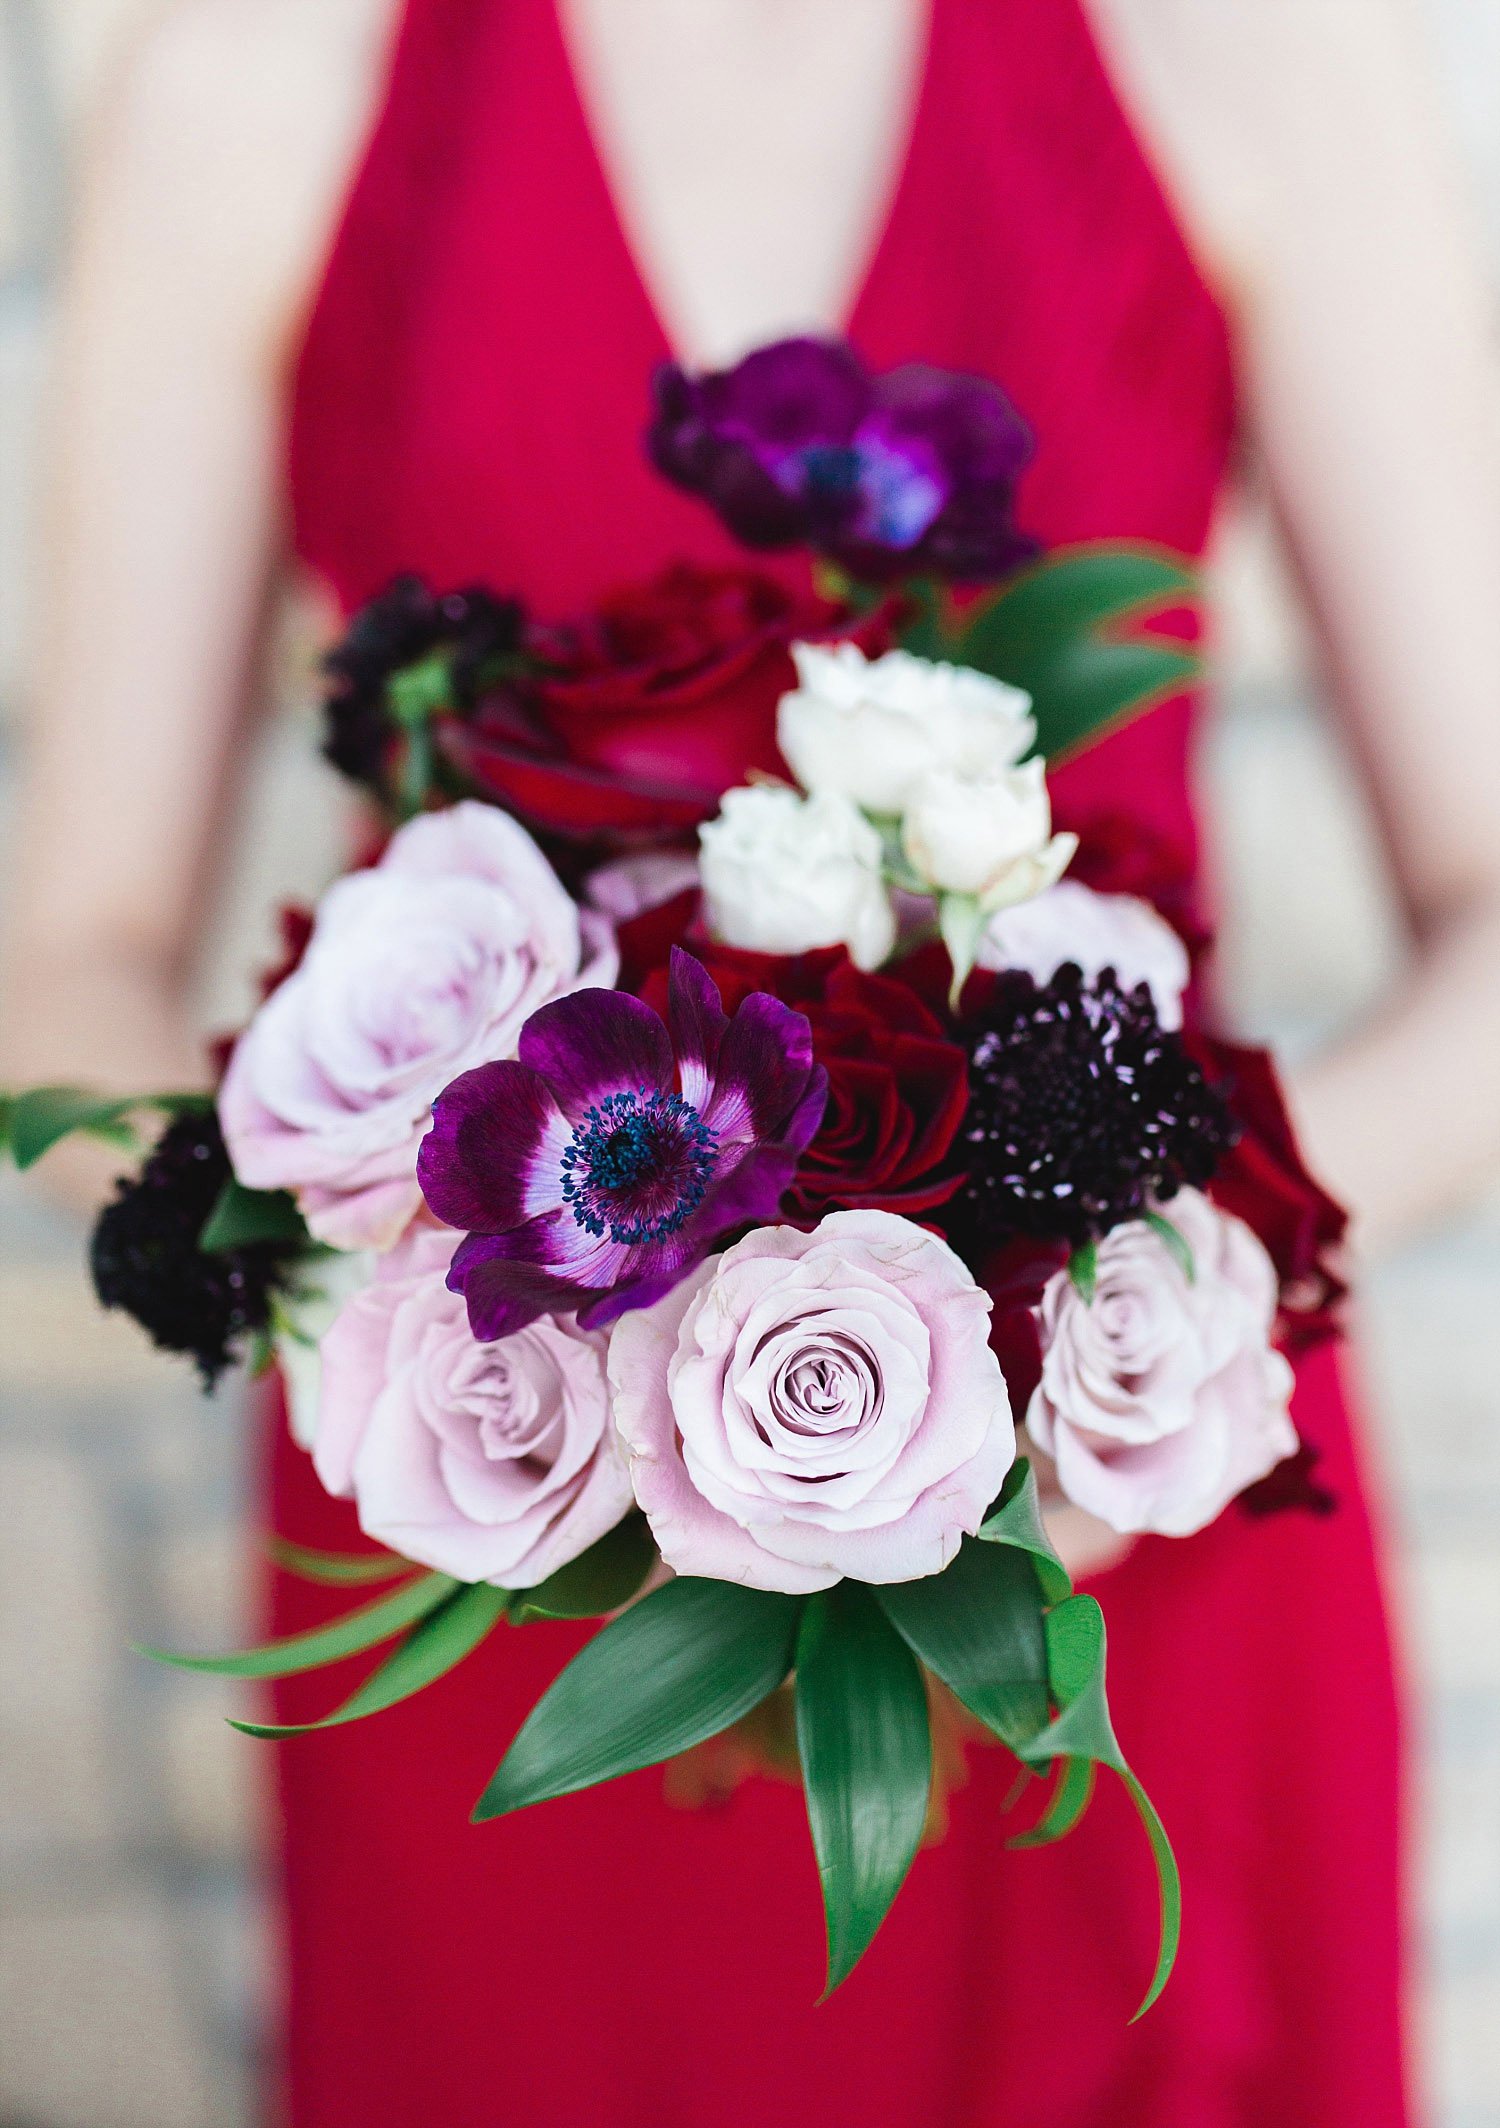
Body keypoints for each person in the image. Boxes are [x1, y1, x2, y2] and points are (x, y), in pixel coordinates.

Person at [6, 0, 1500, 2121]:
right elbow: (76, 953)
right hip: (516, 1566)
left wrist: (1135, 1288)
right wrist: (417, 1315)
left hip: (1117, 1548)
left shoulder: (1247, 56)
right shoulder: (264, 78)